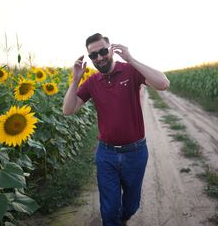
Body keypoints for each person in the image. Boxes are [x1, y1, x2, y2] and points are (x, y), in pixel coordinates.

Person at [63, 33, 170, 226]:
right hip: (106, 155)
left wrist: (130, 58)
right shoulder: (92, 82)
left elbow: (163, 84)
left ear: (111, 49)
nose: (99, 58)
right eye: (93, 55)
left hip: (135, 153)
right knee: (110, 210)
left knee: (130, 205)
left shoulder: (130, 70)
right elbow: (68, 110)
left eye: (103, 51)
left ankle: (124, 218)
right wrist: (75, 80)